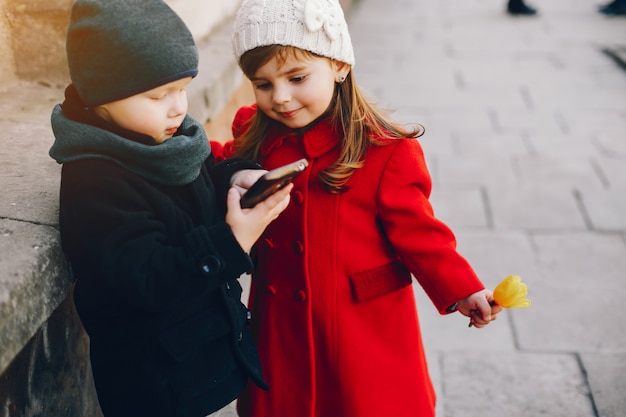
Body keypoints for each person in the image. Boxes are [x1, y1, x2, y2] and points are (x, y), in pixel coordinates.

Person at [211, 0, 504, 416]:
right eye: (263, 84)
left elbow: (420, 233)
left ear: (339, 65)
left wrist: (463, 289)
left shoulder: (385, 150)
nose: (281, 97)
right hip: (280, 326)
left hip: (358, 328)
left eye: (297, 77)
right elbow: (217, 164)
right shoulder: (253, 134)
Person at [48, 1, 292, 416]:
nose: (178, 106)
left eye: (183, 88)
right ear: (102, 95)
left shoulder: (168, 140)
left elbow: (200, 182)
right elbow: (147, 276)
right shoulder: (97, 181)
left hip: (193, 357)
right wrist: (232, 241)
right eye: (158, 95)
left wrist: (235, 179)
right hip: (154, 381)